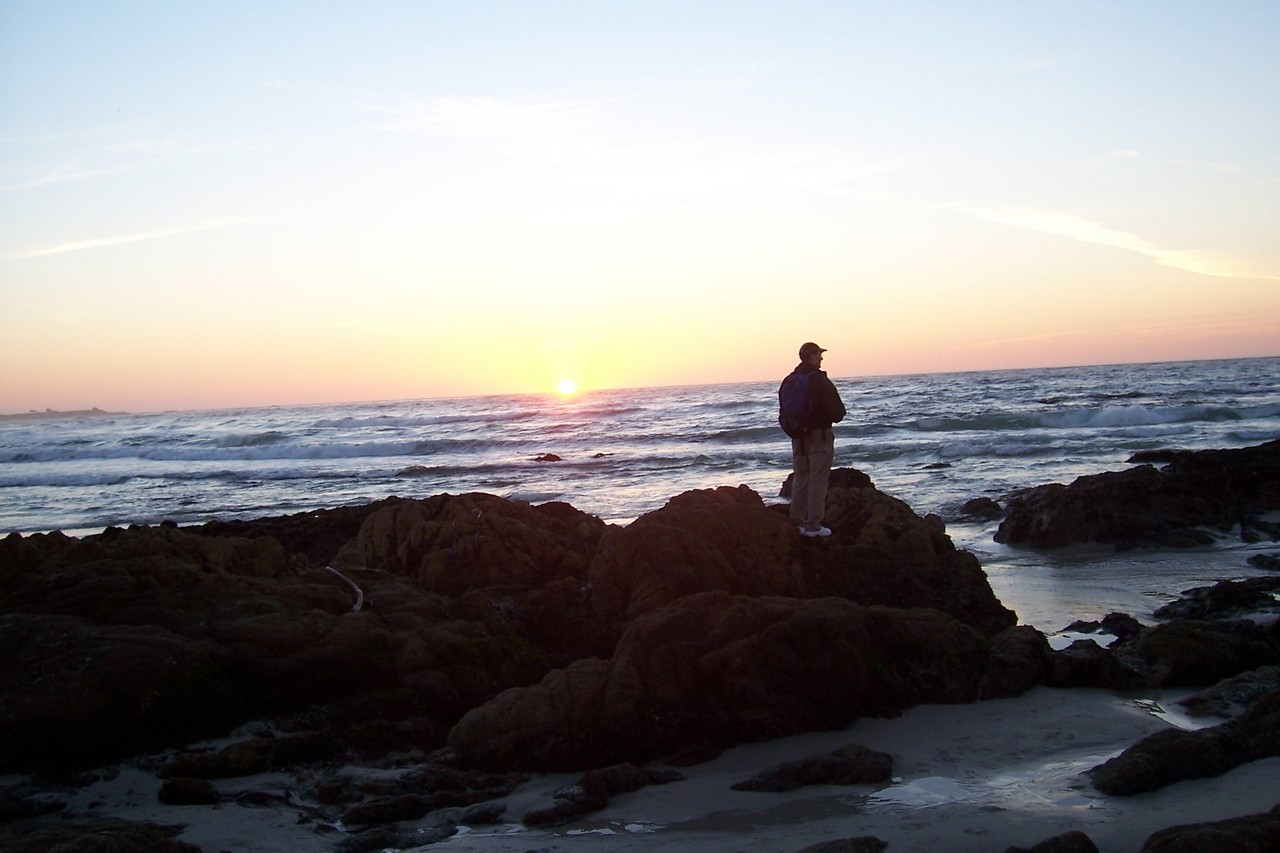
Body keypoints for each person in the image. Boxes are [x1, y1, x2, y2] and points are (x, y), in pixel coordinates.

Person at [785, 341, 846, 537]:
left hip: (798, 436)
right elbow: (838, 411)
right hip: (819, 435)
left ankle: (797, 520)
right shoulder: (819, 380)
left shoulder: (790, 379)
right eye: (819, 354)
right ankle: (814, 525)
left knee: (801, 476)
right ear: (811, 356)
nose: (821, 358)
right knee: (818, 479)